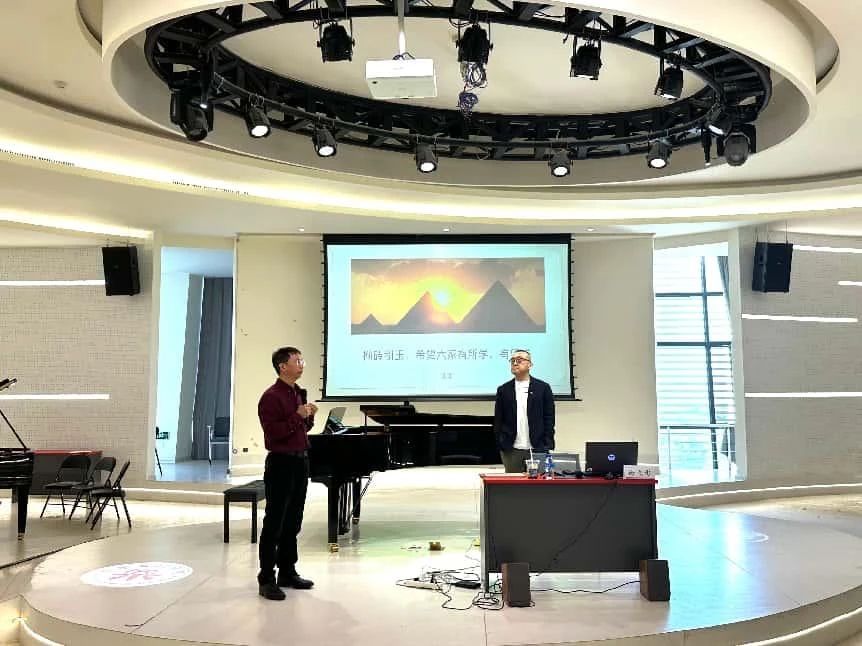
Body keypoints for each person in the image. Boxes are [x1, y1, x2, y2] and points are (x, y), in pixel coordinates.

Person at [256, 346, 318, 601]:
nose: (302, 364)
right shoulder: (271, 397)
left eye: (302, 360)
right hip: (281, 463)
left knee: (293, 520)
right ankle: (266, 578)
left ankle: (287, 571)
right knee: (275, 522)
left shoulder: (297, 393)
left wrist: (308, 417)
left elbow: (301, 428)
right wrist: (297, 416)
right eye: (297, 361)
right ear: (283, 366)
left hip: (300, 462)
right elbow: (274, 434)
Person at [493, 349, 555, 473]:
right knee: (513, 483)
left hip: (538, 447)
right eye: (512, 361)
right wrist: (501, 442)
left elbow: (549, 417)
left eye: (519, 360)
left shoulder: (543, 388)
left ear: (530, 365)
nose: (515, 363)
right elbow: (498, 419)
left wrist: (547, 442)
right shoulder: (504, 389)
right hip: (511, 449)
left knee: (539, 482)